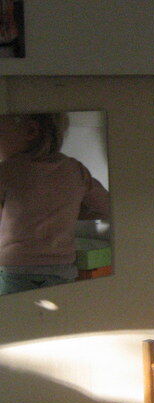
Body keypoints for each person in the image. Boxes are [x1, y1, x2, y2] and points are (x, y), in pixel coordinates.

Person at [0, 113, 110, 294]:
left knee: (16, 311)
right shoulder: (75, 169)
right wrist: (71, 211)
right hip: (61, 271)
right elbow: (106, 207)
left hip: (16, 269)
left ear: (31, 131)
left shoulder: (7, 170)